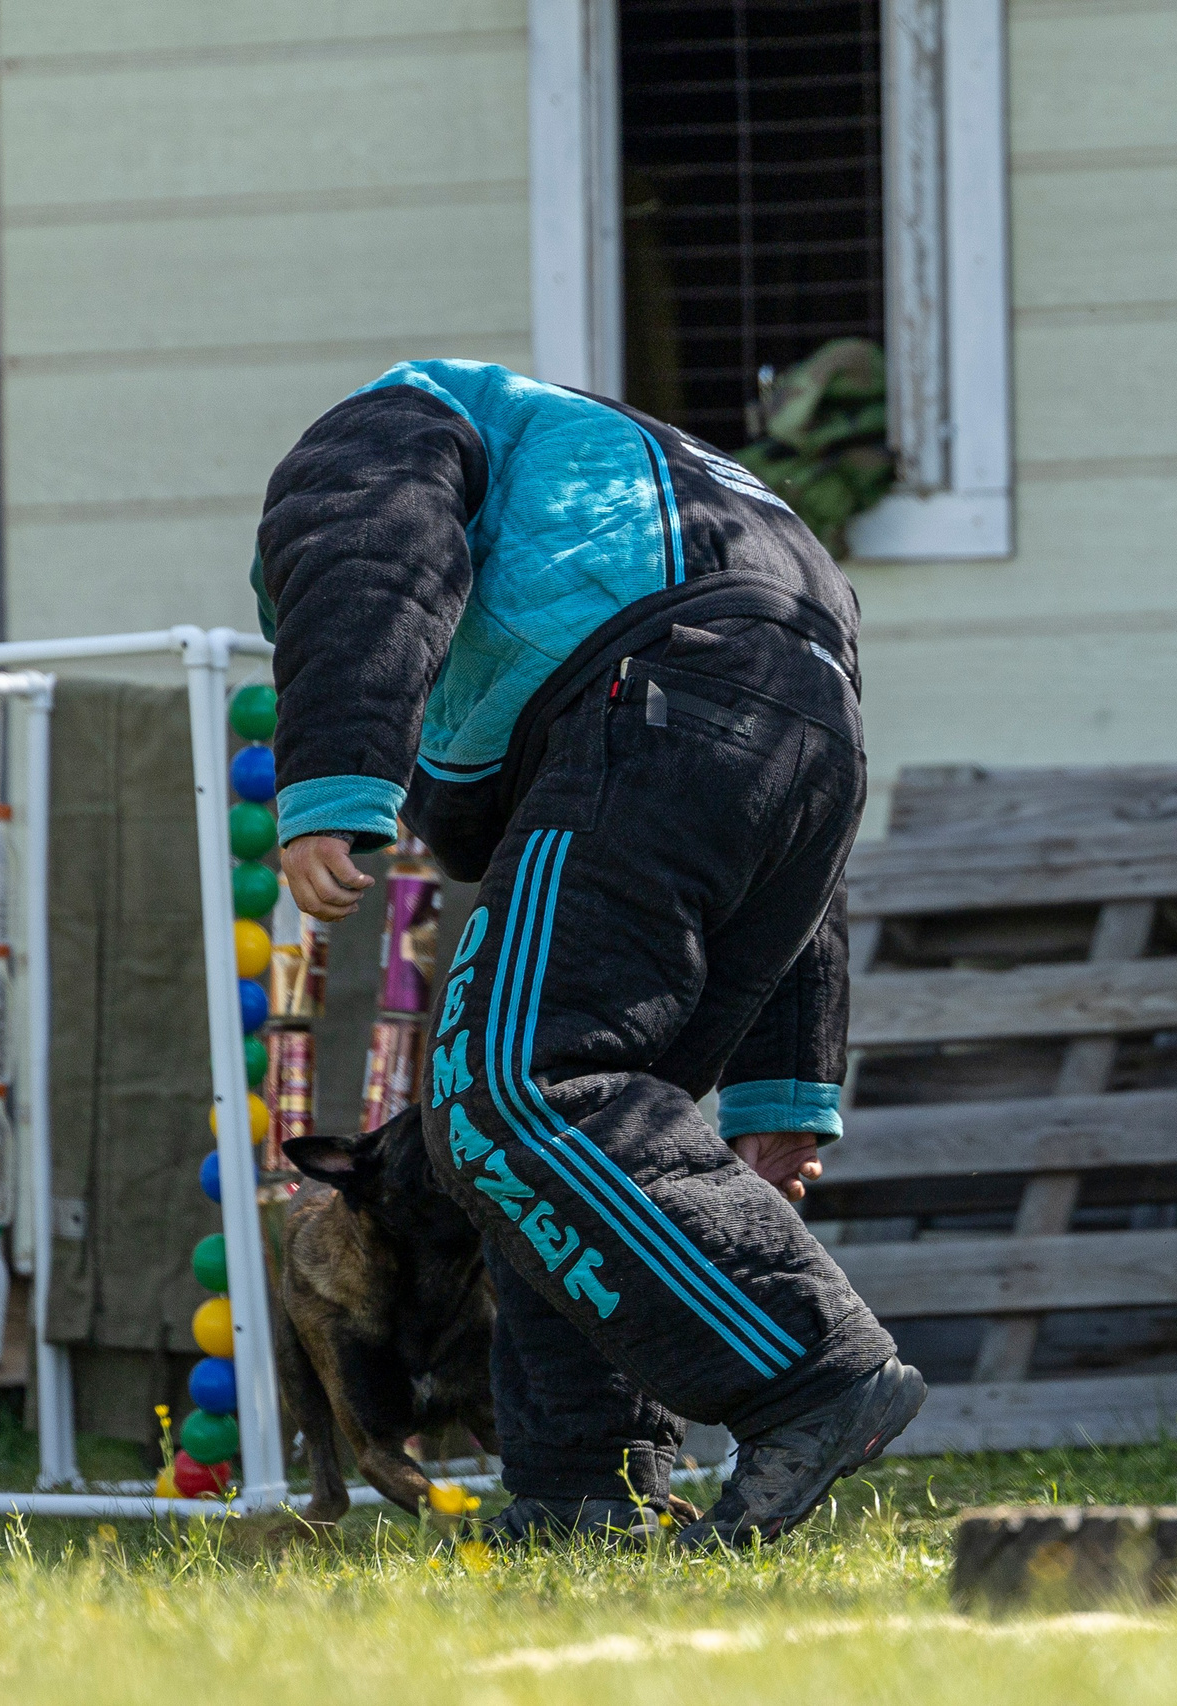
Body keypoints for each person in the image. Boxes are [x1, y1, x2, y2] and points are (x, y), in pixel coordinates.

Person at [254, 358, 924, 1547]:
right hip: (801, 737)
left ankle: (811, 1372)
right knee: (565, 1145)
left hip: (645, 702)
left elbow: (364, 556)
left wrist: (333, 779)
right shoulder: (675, 496)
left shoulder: (394, 419)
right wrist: (785, 1086)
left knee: (508, 1089)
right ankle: (583, 1486)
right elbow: (781, 804)